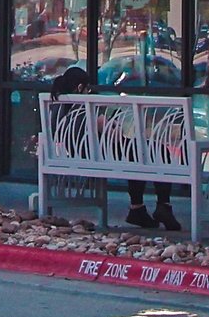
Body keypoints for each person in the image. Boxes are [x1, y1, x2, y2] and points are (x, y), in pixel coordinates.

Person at [47, 63, 179, 232]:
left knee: (138, 154)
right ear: (80, 87)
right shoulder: (85, 107)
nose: (89, 92)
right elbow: (112, 134)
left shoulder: (56, 107)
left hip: (78, 154)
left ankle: (139, 209)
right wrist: (113, 125)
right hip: (103, 154)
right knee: (154, 150)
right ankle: (159, 205)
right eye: (87, 89)